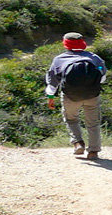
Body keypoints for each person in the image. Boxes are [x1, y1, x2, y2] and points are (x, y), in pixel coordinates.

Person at [45, 32, 107, 160]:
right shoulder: (95, 58)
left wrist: (51, 98)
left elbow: (52, 83)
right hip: (92, 96)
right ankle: (93, 151)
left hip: (70, 97)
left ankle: (78, 143)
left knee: (71, 119)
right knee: (93, 123)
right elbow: (102, 78)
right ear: (83, 42)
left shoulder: (59, 60)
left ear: (65, 44)